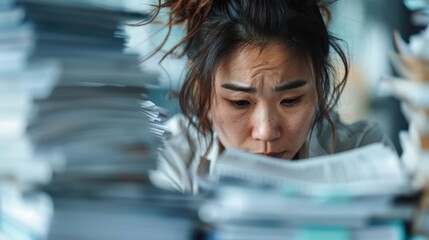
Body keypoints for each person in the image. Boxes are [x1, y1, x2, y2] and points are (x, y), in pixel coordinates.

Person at [145, 0, 393, 193]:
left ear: (318, 84)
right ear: (201, 88)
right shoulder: (168, 160)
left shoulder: (364, 154)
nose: (266, 132)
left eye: (291, 100)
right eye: (240, 102)